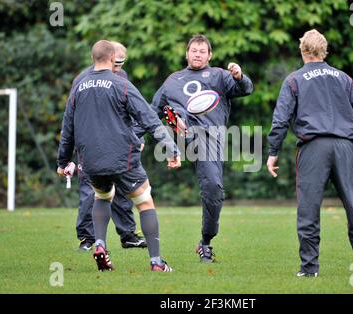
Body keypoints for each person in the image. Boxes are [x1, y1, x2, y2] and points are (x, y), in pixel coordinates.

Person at [57, 40, 181, 272]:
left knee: (102, 197)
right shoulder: (120, 83)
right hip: (122, 157)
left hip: (90, 161)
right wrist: (171, 148)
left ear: (93, 58)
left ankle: (101, 245)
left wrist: (63, 161)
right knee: (144, 202)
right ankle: (156, 262)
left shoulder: (78, 85)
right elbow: (148, 118)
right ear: (113, 57)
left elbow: (68, 128)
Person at [267, 29, 353, 277]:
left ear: (303, 50)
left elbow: (281, 119)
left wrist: (273, 151)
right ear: (324, 50)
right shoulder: (344, 78)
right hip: (344, 147)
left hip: (313, 148)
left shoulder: (294, 80)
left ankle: (309, 269)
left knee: (308, 210)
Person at [152, 34, 253, 263]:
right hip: (187, 135)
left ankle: (205, 241)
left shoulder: (219, 76)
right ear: (186, 53)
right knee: (174, 114)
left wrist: (239, 76)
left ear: (209, 55)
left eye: (202, 51)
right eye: (193, 50)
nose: (197, 54)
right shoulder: (172, 80)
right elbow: (149, 111)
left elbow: (246, 89)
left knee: (214, 189)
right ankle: (177, 121)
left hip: (211, 138)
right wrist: (135, 136)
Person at [72, 41, 146, 251]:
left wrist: (136, 138)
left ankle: (128, 235)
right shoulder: (83, 80)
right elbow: (72, 117)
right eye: (117, 62)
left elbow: (130, 113)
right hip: (92, 148)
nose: (118, 68)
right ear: (108, 57)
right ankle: (87, 238)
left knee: (124, 191)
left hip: (118, 146)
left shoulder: (121, 78)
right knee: (90, 193)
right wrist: (69, 152)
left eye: (122, 64)